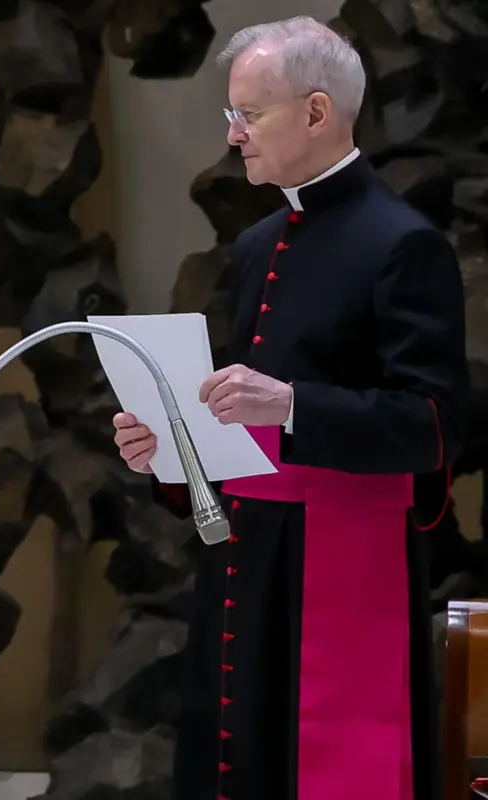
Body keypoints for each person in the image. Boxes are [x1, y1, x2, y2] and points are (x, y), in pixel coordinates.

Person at [111, 17, 467, 800]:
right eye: (229, 115)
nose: (234, 135)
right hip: (246, 554)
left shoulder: (404, 244)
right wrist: (169, 451)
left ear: (316, 111)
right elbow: (247, 424)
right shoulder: (257, 243)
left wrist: (294, 403)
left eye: (250, 114)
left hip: (346, 556)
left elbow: (437, 425)